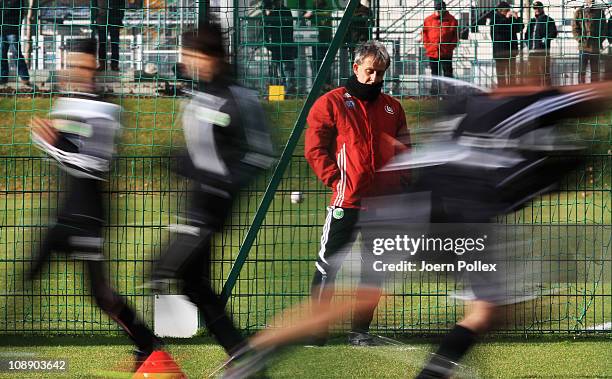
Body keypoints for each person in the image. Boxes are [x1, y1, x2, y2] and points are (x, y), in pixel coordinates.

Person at [412, 79, 612, 379]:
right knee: (485, 312)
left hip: (448, 212)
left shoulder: (488, 126)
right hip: (462, 216)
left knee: (485, 312)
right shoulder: (527, 134)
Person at [27, 38, 167, 371]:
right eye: (69, 64)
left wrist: (54, 142)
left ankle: (147, 343)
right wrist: (50, 140)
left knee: (101, 293)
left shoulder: (107, 109)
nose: (72, 71)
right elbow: (55, 146)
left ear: (95, 66)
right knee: (30, 271)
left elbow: (95, 164)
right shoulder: (63, 103)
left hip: (90, 215)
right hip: (64, 211)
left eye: (80, 64)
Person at [147, 24, 275, 360]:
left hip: (210, 207)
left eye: (192, 55)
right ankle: (241, 355)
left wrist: (223, 185)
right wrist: (178, 162)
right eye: (185, 56)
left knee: (159, 271)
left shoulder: (240, 98)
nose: (187, 62)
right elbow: (201, 152)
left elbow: (261, 154)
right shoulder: (200, 96)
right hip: (193, 204)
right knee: (194, 285)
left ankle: (149, 351)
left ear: (213, 56)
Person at [303, 40, 410, 346]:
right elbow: (314, 148)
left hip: (384, 206)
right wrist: (336, 181)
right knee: (327, 267)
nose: (374, 78)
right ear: (355, 68)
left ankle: (359, 332)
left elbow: (405, 151)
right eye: (369, 71)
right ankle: (316, 332)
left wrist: (403, 185)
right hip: (346, 202)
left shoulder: (393, 107)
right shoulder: (331, 103)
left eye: (380, 73)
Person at [422, 0, 459, 94]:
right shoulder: (428, 20)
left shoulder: (452, 20)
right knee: (434, 73)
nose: (438, 12)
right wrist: (428, 46)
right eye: (437, 10)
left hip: (446, 52)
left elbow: (455, 36)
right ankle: (435, 92)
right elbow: (424, 35)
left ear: (444, 10)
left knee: (448, 73)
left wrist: (450, 48)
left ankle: (450, 92)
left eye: (440, 10)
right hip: (433, 51)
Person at [263, 0, 297, 94]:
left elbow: (267, 24)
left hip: (281, 44)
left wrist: (267, 13)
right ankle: (285, 89)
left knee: (283, 68)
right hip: (281, 44)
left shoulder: (278, 12)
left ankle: (286, 89)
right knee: (283, 68)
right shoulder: (284, 11)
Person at [490, 1, 524, 87]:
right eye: (507, 10)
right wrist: (507, 18)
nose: (508, 11)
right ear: (501, 10)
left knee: (512, 74)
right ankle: (502, 91)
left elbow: (520, 27)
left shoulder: (510, 18)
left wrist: (517, 18)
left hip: (511, 51)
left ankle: (512, 91)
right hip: (500, 52)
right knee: (501, 75)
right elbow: (499, 29)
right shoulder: (495, 18)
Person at [524, 1, 557, 86]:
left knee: (545, 72)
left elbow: (553, 33)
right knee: (533, 73)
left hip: (543, 51)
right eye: (535, 8)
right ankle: (535, 92)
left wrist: (546, 38)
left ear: (542, 8)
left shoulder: (548, 20)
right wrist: (529, 45)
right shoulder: (531, 21)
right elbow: (527, 35)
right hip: (532, 52)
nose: (537, 10)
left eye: (538, 8)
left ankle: (547, 93)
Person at [572, 0, 607, 83]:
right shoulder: (579, 12)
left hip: (595, 46)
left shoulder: (599, 12)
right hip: (584, 47)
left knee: (595, 72)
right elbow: (575, 28)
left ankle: (594, 91)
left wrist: (599, 39)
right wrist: (580, 39)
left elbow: (604, 28)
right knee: (582, 71)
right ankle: (581, 89)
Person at [0, 0, 32, 86]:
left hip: (13, 30)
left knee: (16, 53)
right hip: (2, 31)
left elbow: (16, 13)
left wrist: (5, 11)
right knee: (1, 55)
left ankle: (24, 77)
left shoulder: (18, 1)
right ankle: (3, 78)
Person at [304, 0, 333, 90]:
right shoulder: (315, 10)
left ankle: (326, 84)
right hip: (316, 41)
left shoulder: (325, 10)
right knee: (317, 62)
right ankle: (320, 85)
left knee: (325, 63)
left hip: (324, 41)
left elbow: (326, 15)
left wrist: (313, 13)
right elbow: (305, 17)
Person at [94, 0, 124, 71]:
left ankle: (114, 65)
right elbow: (94, 5)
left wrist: (120, 17)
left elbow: (122, 5)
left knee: (114, 44)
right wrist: (96, 18)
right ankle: (103, 65)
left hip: (114, 20)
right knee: (102, 44)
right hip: (102, 20)